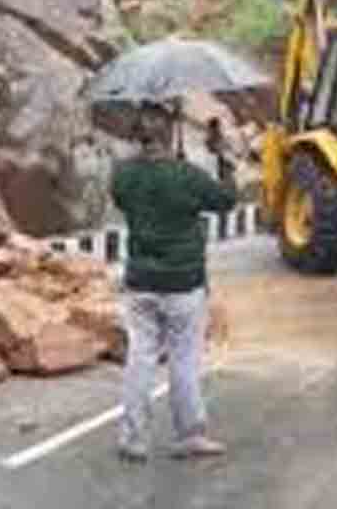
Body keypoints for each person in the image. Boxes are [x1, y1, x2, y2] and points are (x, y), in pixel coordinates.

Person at [111, 101, 238, 462]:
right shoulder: (187, 176)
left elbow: (126, 198)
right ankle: (190, 435)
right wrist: (223, 159)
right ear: (170, 134)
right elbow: (226, 199)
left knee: (140, 358)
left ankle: (132, 438)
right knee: (183, 360)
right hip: (183, 283)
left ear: (138, 135)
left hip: (140, 282)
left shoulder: (124, 175)